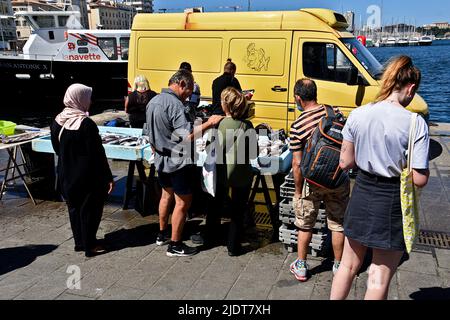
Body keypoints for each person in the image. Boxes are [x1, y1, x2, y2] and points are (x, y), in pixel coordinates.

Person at [330, 56, 429, 300]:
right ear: (411, 88)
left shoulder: (358, 114)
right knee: (377, 276)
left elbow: (346, 162)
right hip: (391, 203)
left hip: (362, 194)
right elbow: (419, 179)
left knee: (347, 266)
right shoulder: (415, 123)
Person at [145, 69, 223, 257]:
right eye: (190, 89)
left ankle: (162, 234)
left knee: (166, 196)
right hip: (177, 161)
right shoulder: (176, 106)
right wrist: (209, 124)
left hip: (161, 159)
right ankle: (175, 244)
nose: (190, 94)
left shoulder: (153, 101)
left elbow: (148, 132)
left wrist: (156, 149)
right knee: (183, 202)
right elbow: (187, 137)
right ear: (181, 84)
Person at [289, 79, 350, 282]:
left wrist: (298, 192)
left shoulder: (297, 126)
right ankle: (339, 265)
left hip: (312, 182)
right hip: (337, 178)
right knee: (337, 224)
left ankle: (301, 266)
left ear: (298, 98)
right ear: (315, 93)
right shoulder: (334, 112)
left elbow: (297, 164)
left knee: (305, 224)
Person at [50, 83, 114, 257]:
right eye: (88, 97)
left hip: (65, 173)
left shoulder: (57, 120)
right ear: (80, 98)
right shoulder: (86, 124)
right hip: (86, 176)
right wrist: (107, 177)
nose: (91, 101)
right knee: (90, 210)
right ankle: (90, 246)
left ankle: (79, 242)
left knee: (74, 209)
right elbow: (97, 154)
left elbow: (57, 148)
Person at [204, 87, 258, 256]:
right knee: (237, 211)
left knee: (215, 205)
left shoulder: (218, 124)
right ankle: (233, 247)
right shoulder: (247, 125)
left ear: (225, 105)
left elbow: (209, 149)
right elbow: (253, 153)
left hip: (220, 173)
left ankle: (211, 237)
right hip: (241, 174)